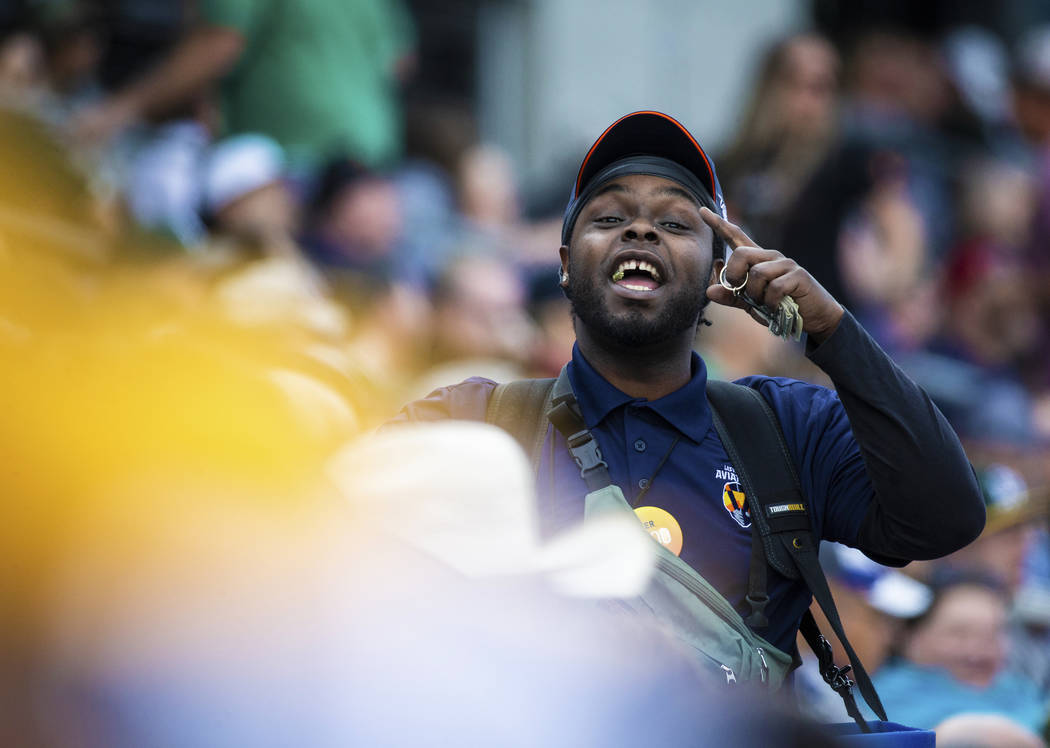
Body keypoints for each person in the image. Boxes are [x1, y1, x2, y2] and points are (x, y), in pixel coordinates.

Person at [391, 111, 984, 671]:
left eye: (676, 222)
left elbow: (944, 519)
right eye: (608, 218)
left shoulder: (788, 426)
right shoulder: (474, 421)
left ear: (718, 273)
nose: (641, 228)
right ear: (566, 265)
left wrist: (834, 331)